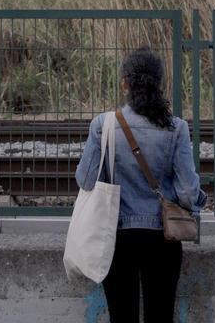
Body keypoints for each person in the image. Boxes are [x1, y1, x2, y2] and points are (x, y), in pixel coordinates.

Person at [75, 47, 207, 323]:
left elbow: (85, 180)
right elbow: (186, 192)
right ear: (159, 83)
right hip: (162, 237)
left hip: (116, 235)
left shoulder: (103, 125)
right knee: (161, 316)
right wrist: (199, 200)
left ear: (125, 83)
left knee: (122, 317)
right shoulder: (176, 128)